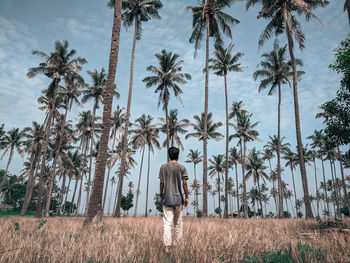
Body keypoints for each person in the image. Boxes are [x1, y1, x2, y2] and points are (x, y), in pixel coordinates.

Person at [159, 147, 189, 255]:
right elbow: (184, 183)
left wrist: (161, 194)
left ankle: (167, 246)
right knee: (178, 224)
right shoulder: (182, 167)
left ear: (169, 155)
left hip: (167, 199)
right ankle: (177, 245)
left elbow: (162, 182)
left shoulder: (163, 167)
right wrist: (186, 197)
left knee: (167, 224)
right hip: (178, 199)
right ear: (178, 156)